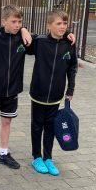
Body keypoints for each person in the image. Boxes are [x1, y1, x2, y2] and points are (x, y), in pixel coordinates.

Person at [0, 5, 33, 173]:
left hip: (12, 90)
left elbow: (49, 38)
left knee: (7, 121)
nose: (17, 25)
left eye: (20, 22)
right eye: (14, 21)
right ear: (4, 21)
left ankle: (3, 153)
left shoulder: (23, 38)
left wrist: (25, 30)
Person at [29, 10, 78, 176]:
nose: (62, 27)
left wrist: (70, 89)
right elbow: (22, 39)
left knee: (50, 127)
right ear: (48, 25)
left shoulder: (69, 44)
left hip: (56, 96)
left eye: (65, 24)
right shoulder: (40, 41)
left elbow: (72, 68)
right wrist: (22, 29)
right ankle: (36, 157)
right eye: (58, 23)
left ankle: (48, 158)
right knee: (37, 127)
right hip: (38, 94)